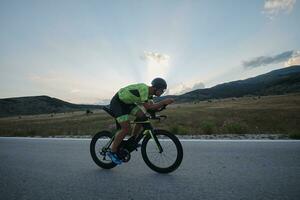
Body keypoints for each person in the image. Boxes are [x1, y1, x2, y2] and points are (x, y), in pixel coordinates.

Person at [107, 77, 174, 164]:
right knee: (126, 128)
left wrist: (157, 114)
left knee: (142, 117)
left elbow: (151, 109)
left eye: (164, 91)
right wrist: (163, 102)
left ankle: (133, 139)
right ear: (156, 87)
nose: (162, 93)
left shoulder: (149, 95)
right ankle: (112, 151)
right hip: (118, 103)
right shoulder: (144, 89)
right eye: (162, 90)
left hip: (128, 104)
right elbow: (149, 107)